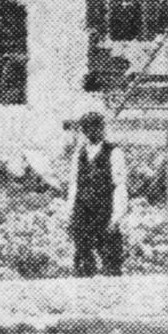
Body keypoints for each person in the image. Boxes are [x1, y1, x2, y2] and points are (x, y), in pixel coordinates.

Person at [64, 111, 128, 277]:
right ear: (84, 131)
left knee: (111, 259)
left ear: (102, 128)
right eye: (87, 129)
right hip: (82, 212)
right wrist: (71, 212)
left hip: (104, 211)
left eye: (96, 127)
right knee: (83, 258)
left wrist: (116, 216)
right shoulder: (78, 155)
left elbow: (119, 186)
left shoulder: (114, 153)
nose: (92, 132)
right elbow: (74, 185)